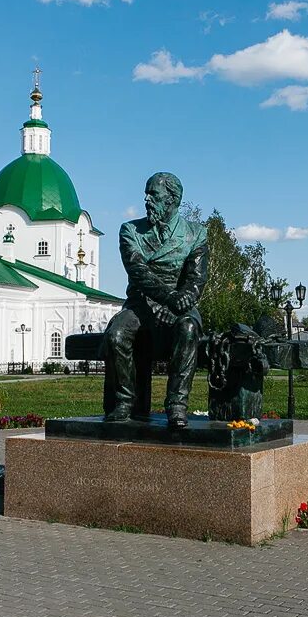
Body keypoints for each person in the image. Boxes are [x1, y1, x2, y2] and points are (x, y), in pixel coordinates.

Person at [103, 172, 208, 427]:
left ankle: (177, 405)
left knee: (189, 327)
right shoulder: (130, 231)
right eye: (146, 194)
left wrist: (178, 304)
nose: (147, 200)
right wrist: (166, 300)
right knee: (117, 334)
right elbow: (138, 272)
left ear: (172, 200)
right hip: (141, 304)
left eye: (154, 195)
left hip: (179, 307)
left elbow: (196, 279)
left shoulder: (195, 233)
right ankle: (125, 401)